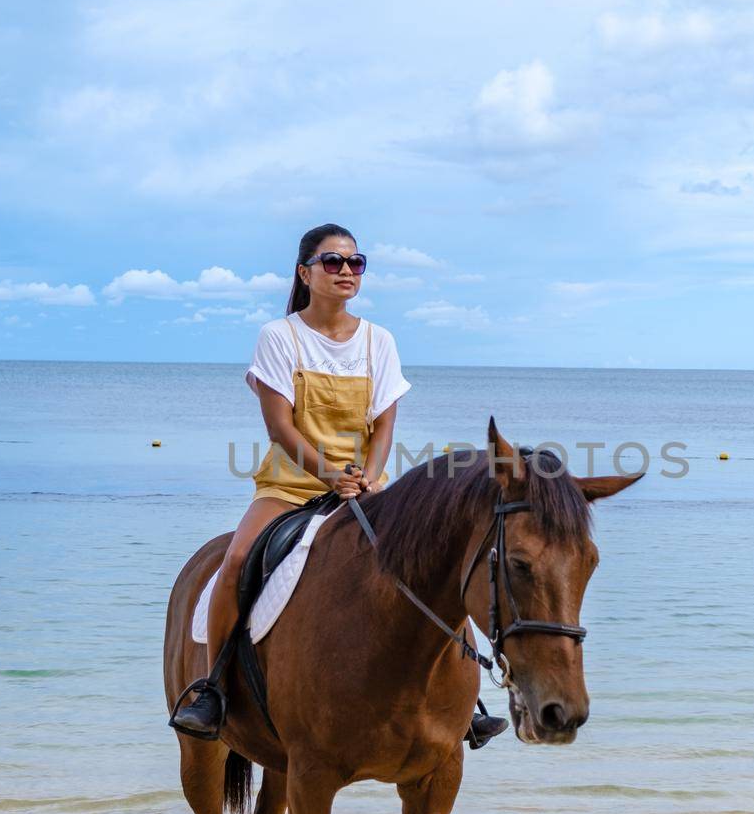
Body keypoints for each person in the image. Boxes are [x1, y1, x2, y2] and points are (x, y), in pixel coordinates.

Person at [169, 222, 506, 748]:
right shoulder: (279, 337)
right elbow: (280, 427)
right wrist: (329, 474)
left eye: (355, 263)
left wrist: (369, 477)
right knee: (236, 563)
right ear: (306, 274)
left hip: (369, 487)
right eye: (333, 262)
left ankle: (466, 704)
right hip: (291, 485)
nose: (346, 271)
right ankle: (214, 692)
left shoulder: (380, 341)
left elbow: (385, 426)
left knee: (433, 570)